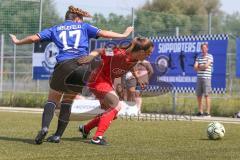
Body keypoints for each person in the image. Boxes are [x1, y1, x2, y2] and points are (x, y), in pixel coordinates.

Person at [10, 5, 134, 144]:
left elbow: (33, 38)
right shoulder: (83, 27)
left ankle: (45, 127)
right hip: (83, 67)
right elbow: (104, 33)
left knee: (52, 99)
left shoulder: (55, 28)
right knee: (68, 101)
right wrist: (124, 35)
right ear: (76, 19)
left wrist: (17, 42)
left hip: (64, 65)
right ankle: (57, 135)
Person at [78, 37, 154, 145]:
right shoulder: (118, 53)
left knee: (111, 113)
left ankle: (85, 128)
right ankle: (97, 138)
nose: (149, 55)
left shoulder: (135, 59)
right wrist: (90, 57)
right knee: (116, 105)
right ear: (141, 51)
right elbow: (99, 50)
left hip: (106, 82)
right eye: (148, 53)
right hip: (97, 80)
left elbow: (130, 66)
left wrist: (137, 78)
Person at [194, 43, 213, 117]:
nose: (203, 49)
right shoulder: (199, 57)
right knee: (198, 95)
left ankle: (207, 112)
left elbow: (206, 66)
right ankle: (200, 111)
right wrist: (201, 67)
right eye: (202, 48)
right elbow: (195, 67)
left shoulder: (210, 56)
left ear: (207, 49)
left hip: (207, 78)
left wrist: (200, 67)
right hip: (199, 78)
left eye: (205, 48)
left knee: (207, 95)